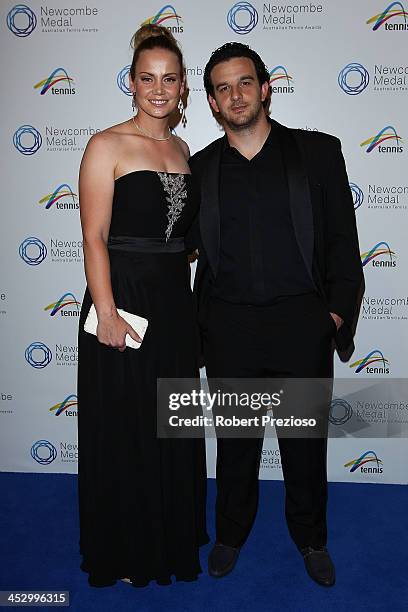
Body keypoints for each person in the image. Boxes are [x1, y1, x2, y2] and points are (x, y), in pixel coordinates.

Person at [188, 42, 364, 587]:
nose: (235, 95)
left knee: (305, 447)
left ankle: (311, 539)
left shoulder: (318, 153)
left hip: (300, 327)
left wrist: (333, 316)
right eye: (222, 88)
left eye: (244, 83)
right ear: (213, 103)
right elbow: (174, 246)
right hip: (230, 328)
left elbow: (341, 242)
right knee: (236, 446)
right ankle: (231, 534)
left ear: (266, 88)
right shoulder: (199, 169)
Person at [77, 24, 208, 588]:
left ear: (183, 88)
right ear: (131, 83)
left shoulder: (183, 150)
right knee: (128, 426)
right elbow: (93, 237)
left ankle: (172, 533)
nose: (159, 89)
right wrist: (106, 312)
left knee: (171, 422)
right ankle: (131, 548)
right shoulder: (106, 145)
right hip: (124, 298)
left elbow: (186, 236)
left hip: (174, 301)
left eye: (170, 79)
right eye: (148, 78)